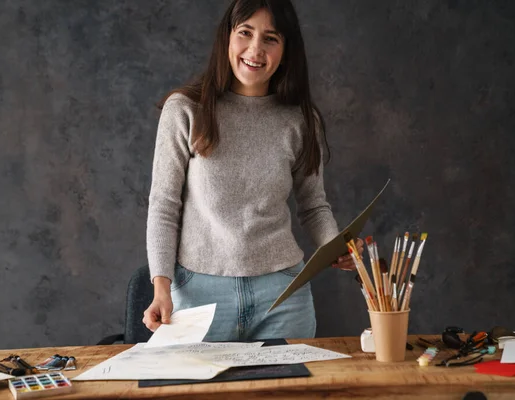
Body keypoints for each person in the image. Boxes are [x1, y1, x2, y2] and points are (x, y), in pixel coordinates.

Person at [143, 0, 363, 341]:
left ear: (286, 49)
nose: (255, 49)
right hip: (199, 295)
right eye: (245, 32)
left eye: (271, 38)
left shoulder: (300, 119)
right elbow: (164, 205)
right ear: (227, 38)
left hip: (283, 295)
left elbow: (314, 205)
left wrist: (337, 248)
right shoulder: (186, 109)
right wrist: (161, 286)